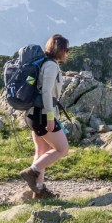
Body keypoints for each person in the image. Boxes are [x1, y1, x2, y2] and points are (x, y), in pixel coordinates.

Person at [18, 34, 71, 200]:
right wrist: (50, 117)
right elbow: (47, 91)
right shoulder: (51, 66)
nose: (67, 53)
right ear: (60, 49)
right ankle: (31, 172)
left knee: (42, 152)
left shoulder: (44, 64)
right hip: (42, 114)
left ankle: (39, 191)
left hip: (33, 114)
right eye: (66, 49)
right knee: (62, 149)